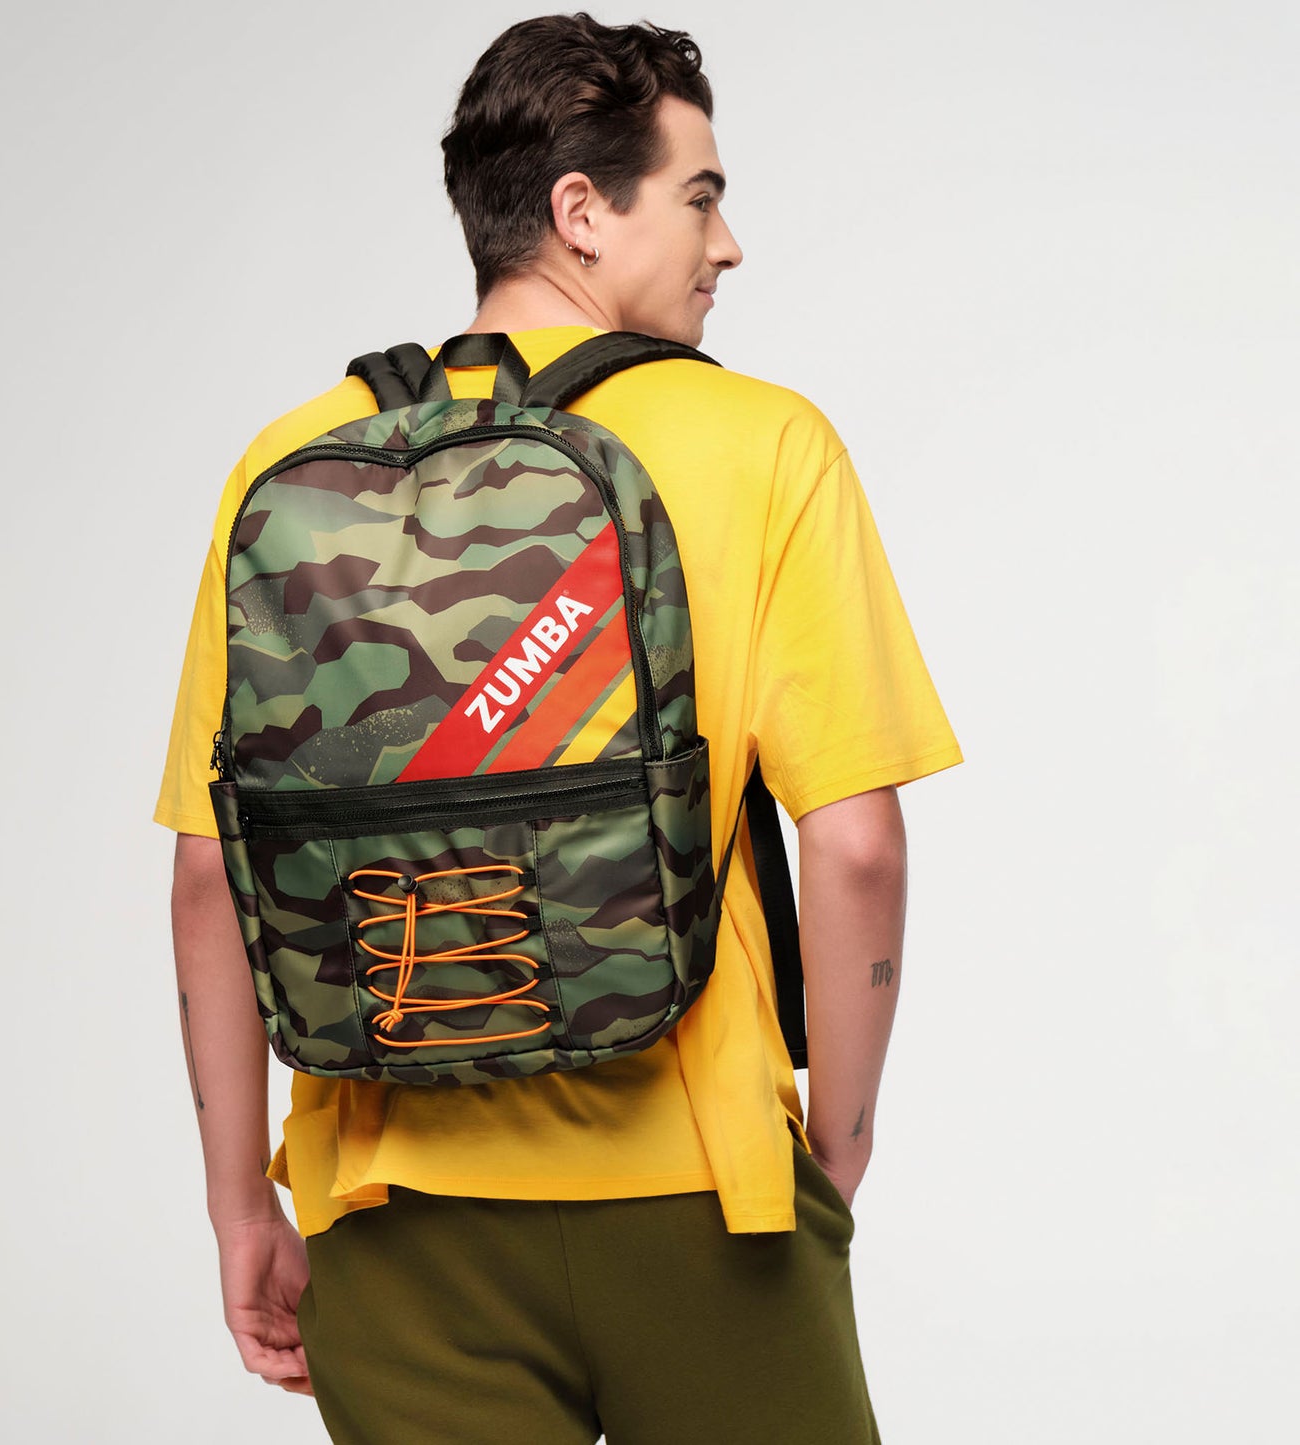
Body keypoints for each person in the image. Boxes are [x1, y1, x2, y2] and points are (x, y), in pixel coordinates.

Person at [155, 13, 962, 1443]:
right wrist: (828, 1163)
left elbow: (214, 869)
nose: (728, 246)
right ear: (582, 211)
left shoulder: (289, 462)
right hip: (701, 1196)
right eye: (701, 198)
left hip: (392, 1212)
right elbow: (855, 850)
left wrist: (240, 1209)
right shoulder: (764, 442)